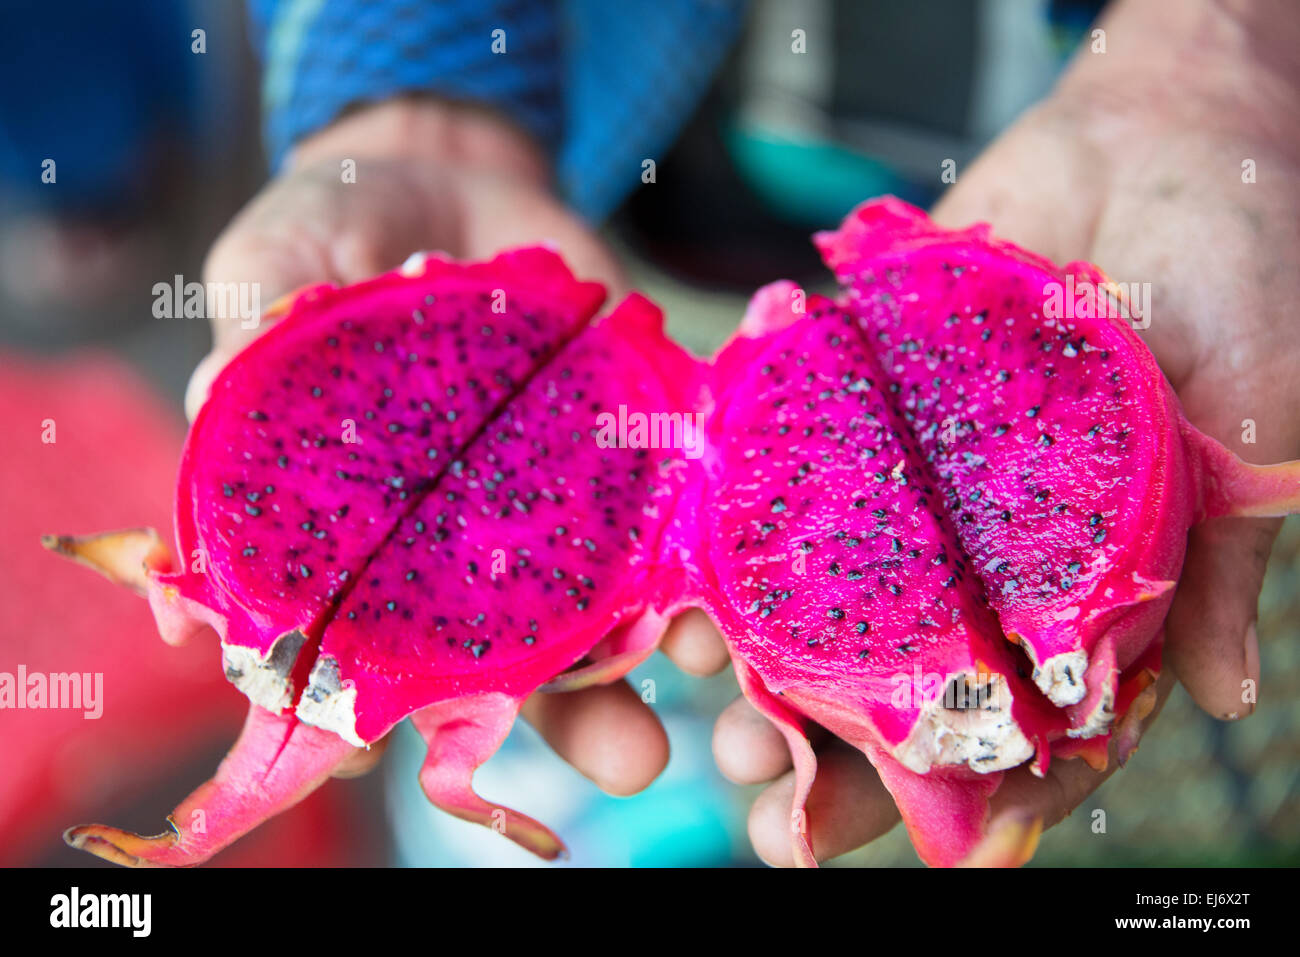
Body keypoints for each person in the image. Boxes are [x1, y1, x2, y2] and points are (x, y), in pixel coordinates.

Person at [195, 0, 1300, 864]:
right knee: (703, 745)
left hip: (1124, 204)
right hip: (641, 196)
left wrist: (1228, 48)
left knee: (1202, 753)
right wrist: (416, 90)